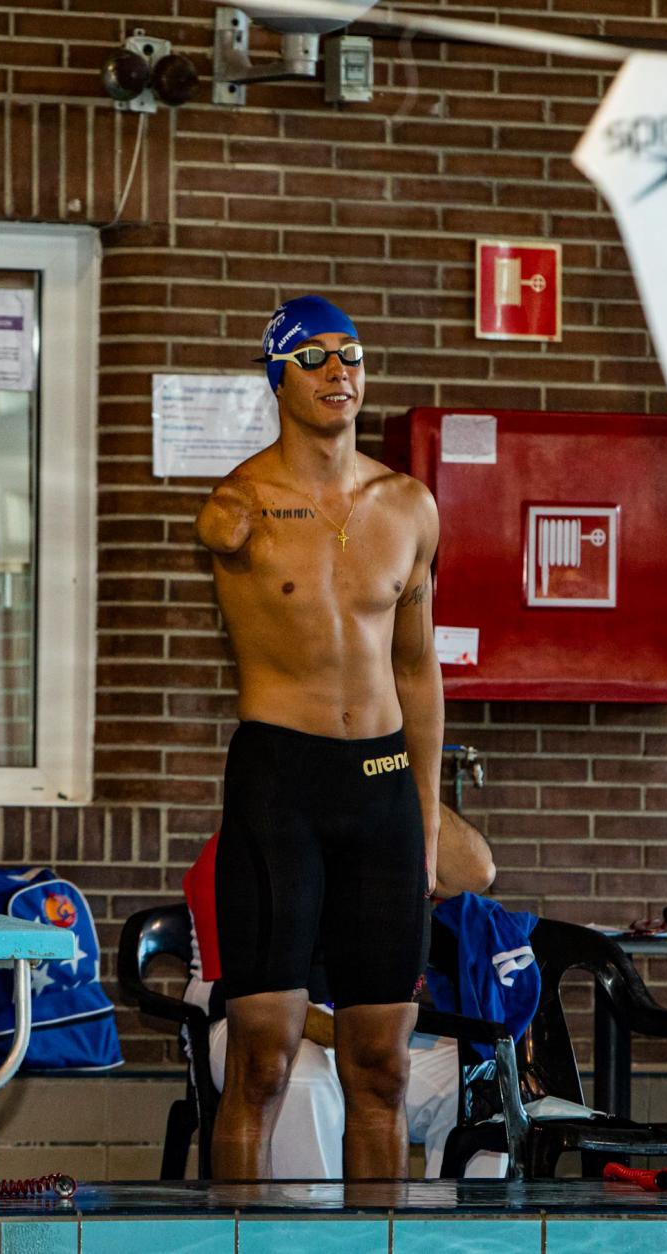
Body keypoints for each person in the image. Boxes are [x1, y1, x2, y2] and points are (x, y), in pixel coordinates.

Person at [195, 293, 444, 1181]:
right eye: (316, 356)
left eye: (354, 354)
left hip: (381, 790)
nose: (342, 370)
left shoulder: (409, 506)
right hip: (281, 783)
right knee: (262, 1060)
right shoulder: (240, 506)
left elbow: (417, 670)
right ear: (277, 375)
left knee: (382, 1068)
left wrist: (422, 820)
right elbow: (212, 531)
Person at [183, 802, 498, 1178]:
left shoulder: (374, 842)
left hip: (357, 1030)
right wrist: (366, 1041)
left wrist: (408, 775)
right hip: (246, 1026)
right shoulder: (245, 847)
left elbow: (477, 872)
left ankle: (447, 1233)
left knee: (479, 1076)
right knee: (303, 1075)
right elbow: (249, 1002)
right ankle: (320, 1234)